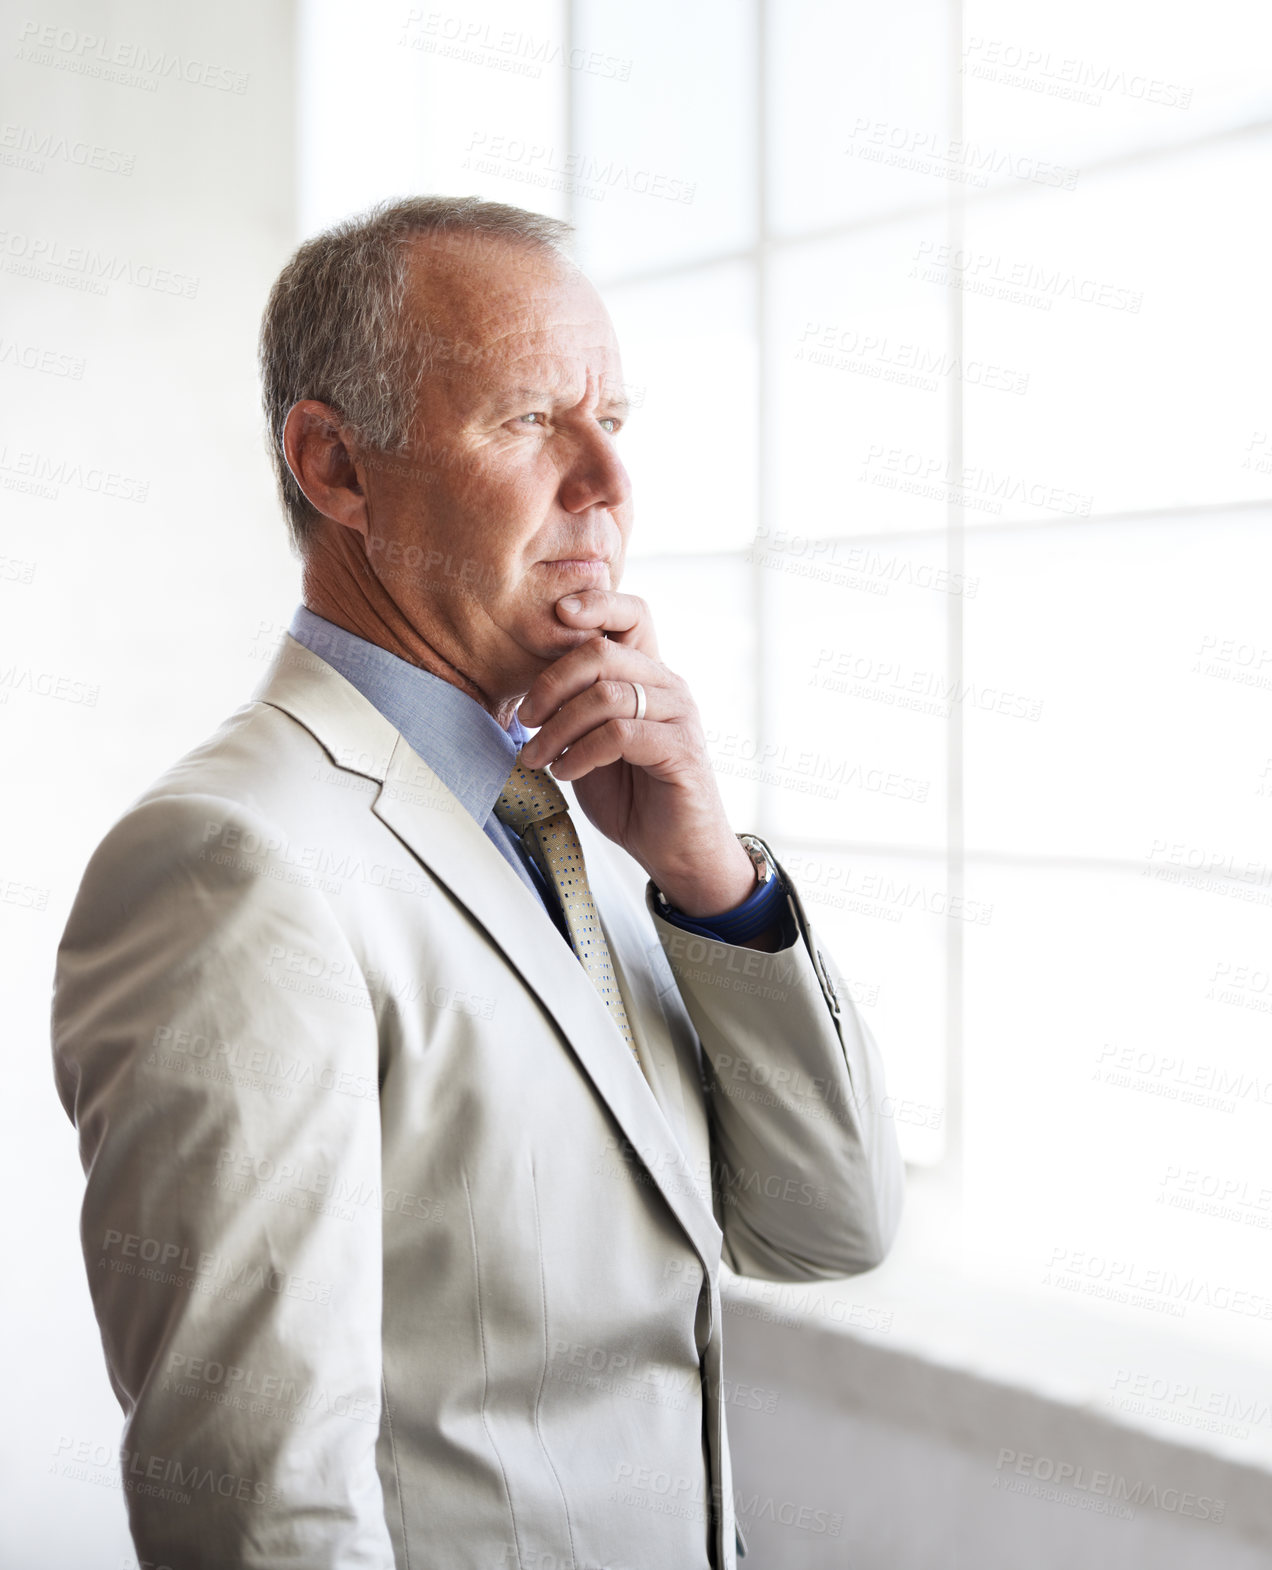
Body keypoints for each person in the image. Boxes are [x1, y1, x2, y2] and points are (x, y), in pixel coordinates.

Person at [52, 196, 904, 1570]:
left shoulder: (595, 823)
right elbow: (258, 1512)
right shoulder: (233, 864)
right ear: (335, 464)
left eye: (611, 421)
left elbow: (828, 1227)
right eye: (526, 421)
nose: (608, 484)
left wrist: (708, 873)